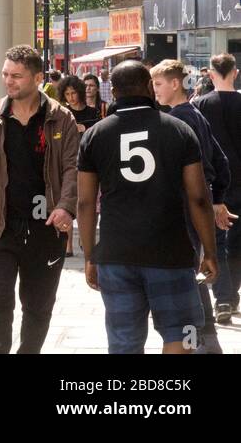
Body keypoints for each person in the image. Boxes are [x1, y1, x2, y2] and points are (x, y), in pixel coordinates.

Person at [79, 59, 217, 354]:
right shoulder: (178, 130)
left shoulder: (95, 135)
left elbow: (86, 202)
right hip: (171, 251)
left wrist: (91, 255)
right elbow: (199, 197)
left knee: (124, 342)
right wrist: (209, 250)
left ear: (113, 92)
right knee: (183, 336)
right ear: (148, 87)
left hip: (116, 254)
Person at [0, 45, 78, 354]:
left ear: (38, 77)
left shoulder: (60, 119)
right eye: (5, 74)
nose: (9, 82)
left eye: (17, 76)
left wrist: (65, 207)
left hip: (45, 229)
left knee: (38, 305)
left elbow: (72, 167)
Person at [151, 59, 232, 353]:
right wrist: (218, 199)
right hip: (200, 202)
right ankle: (208, 343)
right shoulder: (196, 114)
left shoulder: (178, 120)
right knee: (194, 275)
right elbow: (221, 163)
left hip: (185, 207)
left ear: (175, 84)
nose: (155, 90)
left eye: (158, 84)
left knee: (188, 278)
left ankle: (200, 343)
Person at [197, 54, 241, 323]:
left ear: (211, 74)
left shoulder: (200, 104)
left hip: (214, 184)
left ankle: (224, 298)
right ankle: (230, 294)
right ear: (235, 73)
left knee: (218, 241)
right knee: (237, 243)